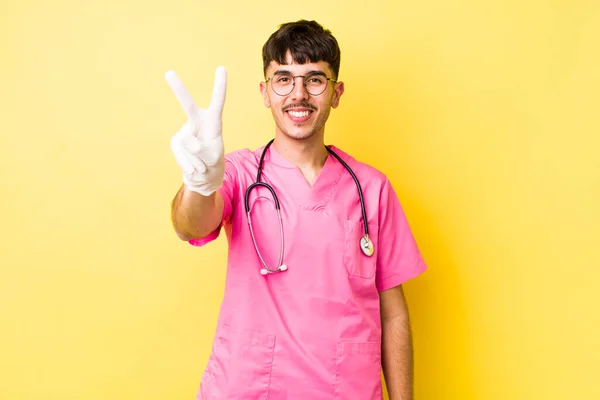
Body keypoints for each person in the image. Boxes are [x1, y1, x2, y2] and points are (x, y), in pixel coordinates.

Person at [166, 20, 427, 400]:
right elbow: (190, 225)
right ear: (265, 92)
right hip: (250, 388)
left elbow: (393, 313)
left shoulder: (372, 188)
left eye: (314, 79)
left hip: (345, 389)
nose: (298, 94)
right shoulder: (238, 173)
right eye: (283, 79)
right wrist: (200, 182)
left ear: (336, 93)